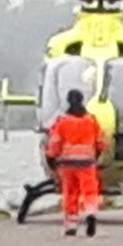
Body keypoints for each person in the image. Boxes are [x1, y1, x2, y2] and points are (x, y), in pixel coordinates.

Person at [44, 90, 108, 237]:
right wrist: (95, 156)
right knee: (90, 191)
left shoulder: (63, 121)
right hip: (87, 163)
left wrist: (51, 158)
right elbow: (101, 142)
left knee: (71, 194)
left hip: (67, 164)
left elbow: (54, 143)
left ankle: (71, 225)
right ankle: (90, 214)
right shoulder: (91, 120)